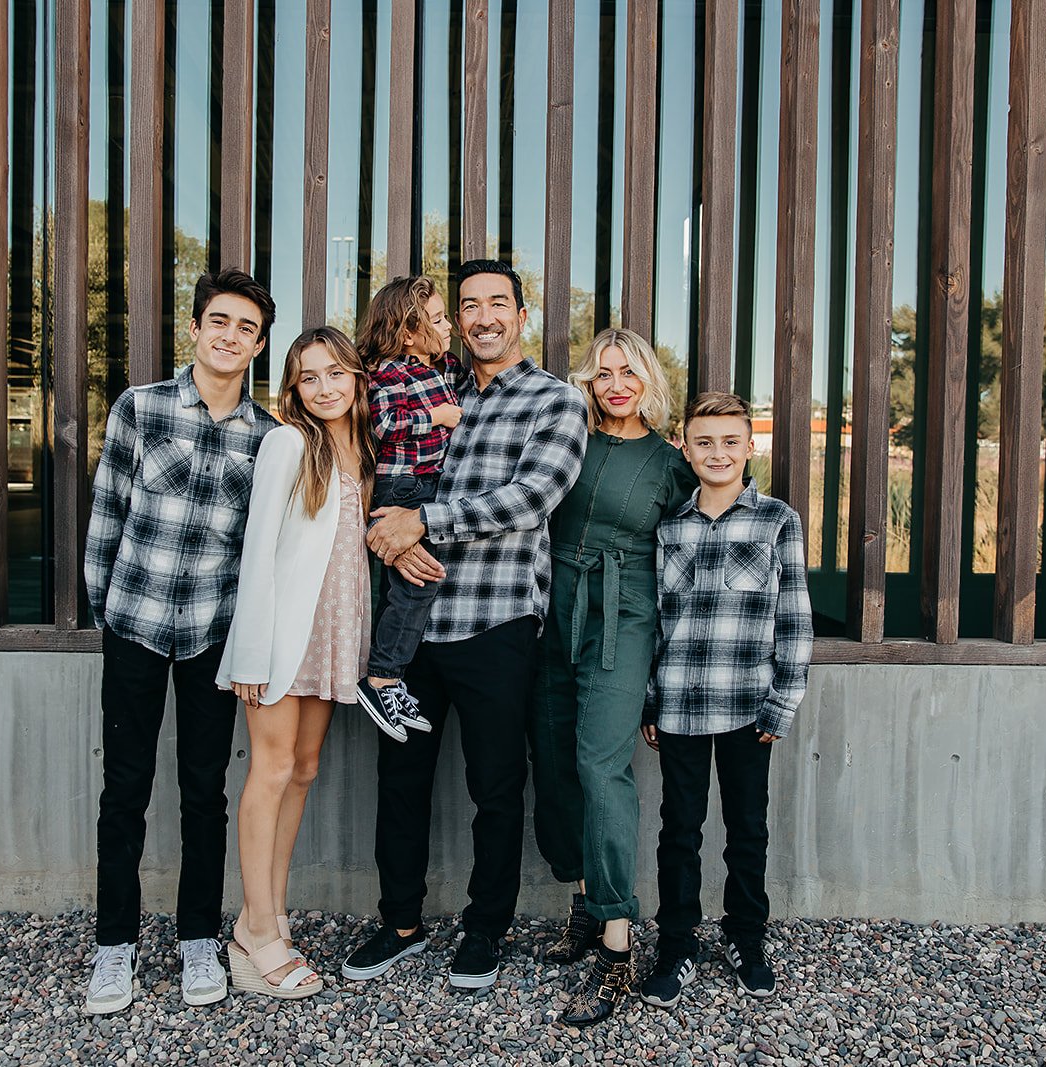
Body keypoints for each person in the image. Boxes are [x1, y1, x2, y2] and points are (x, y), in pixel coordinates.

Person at [340, 259, 588, 991]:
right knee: (400, 779)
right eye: (468, 305)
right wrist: (391, 529)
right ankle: (401, 921)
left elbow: (529, 497)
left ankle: (485, 929)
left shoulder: (554, 401)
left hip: (495, 621)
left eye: (496, 303)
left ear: (521, 313)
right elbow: (372, 472)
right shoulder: (433, 385)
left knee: (496, 785)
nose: (481, 317)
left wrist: (422, 523)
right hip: (411, 629)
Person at [82, 269, 279, 1015]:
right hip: (135, 623)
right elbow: (108, 510)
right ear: (194, 328)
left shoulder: (268, 437)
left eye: (247, 329)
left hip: (211, 637)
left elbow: (258, 550)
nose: (231, 336)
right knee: (124, 790)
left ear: (259, 346)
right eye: (219, 321)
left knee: (206, 791)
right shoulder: (143, 407)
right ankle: (113, 948)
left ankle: (198, 937)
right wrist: (106, 610)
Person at [529, 328, 695, 1027]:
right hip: (551, 607)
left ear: (647, 381)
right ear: (588, 382)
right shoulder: (565, 438)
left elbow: (689, 568)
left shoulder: (668, 463)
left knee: (602, 767)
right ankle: (584, 898)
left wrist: (665, 681)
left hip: (623, 618)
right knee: (554, 763)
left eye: (628, 372)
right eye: (603, 373)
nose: (616, 384)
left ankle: (617, 945)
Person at [213, 326, 378, 999]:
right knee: (272, 768)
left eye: (336, 373)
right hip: (281, 638)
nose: (325, 387)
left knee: (303, 770)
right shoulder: (287, 443)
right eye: (310, 377)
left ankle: (268, 912)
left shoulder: (362, 451)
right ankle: (256, 935)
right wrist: (250, 649)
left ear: (355, 378)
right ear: (294, 387)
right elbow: (257, 553)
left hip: (332, 634)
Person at [637, 391, 813, 1009]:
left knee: (747, 828)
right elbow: (658, 621)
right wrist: (651, 701)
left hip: (748, 707)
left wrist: (783, 700)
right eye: (704, 442)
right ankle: (677, 944)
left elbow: (794, 620)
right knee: (678, 829)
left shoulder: (775, 521)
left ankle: (746, 937)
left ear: (749, 446)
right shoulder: (671, 527)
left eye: (730, 441)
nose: (717, 453)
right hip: (682, 703)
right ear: (685, 447)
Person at [353, 276, 463, 740]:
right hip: (403, 486)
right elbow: (382, 424)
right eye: (437, 320)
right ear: (405, 333)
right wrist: (435, 417)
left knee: (421, 581)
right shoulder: (389, 372)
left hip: (427, 486)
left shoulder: (441, 366)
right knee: (414, 588)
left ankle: (391, 677)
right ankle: (381, 678)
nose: (449, 326)